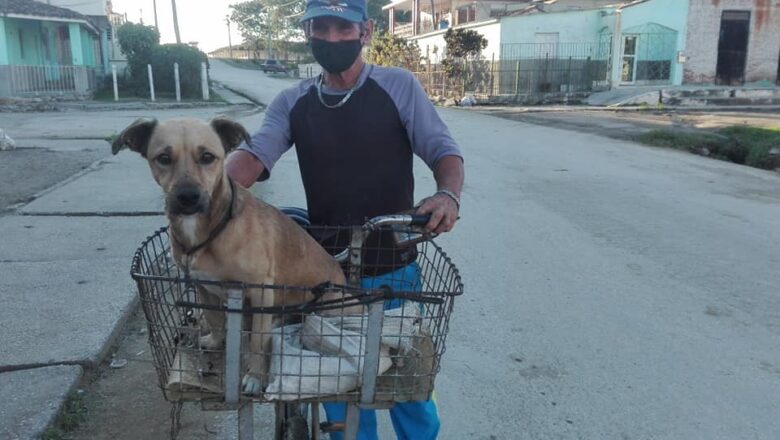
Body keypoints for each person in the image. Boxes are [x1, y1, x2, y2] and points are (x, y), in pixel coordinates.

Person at [225, 0, 464, 437]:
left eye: (342, 28)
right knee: (342, 398)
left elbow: (442, 149)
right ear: (309, 33)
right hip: (327, 276)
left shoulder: (398, 86)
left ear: (366, 32)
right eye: (321, 28)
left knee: (409, 390)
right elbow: (256, 156)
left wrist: (447, 194)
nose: (331, 38)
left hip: (395, 266)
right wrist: (206, 193)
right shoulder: (293, 102)